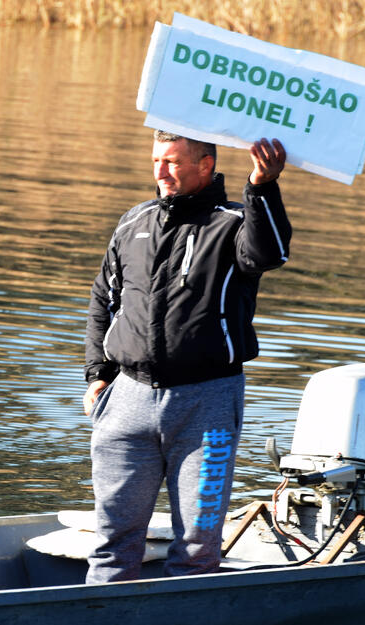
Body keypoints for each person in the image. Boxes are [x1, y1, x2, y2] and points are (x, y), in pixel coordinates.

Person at [83, 130, 290, 583]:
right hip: (125, 402)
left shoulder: (233, 222)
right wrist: (98, 374)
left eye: (173, 162)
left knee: (197, 545)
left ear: (205, 165)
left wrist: (262, 187)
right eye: (157, 159)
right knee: (112, 540)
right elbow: (104, 298)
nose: (160, 170)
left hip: (207, 404)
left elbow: (270, 252)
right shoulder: (133, 221)